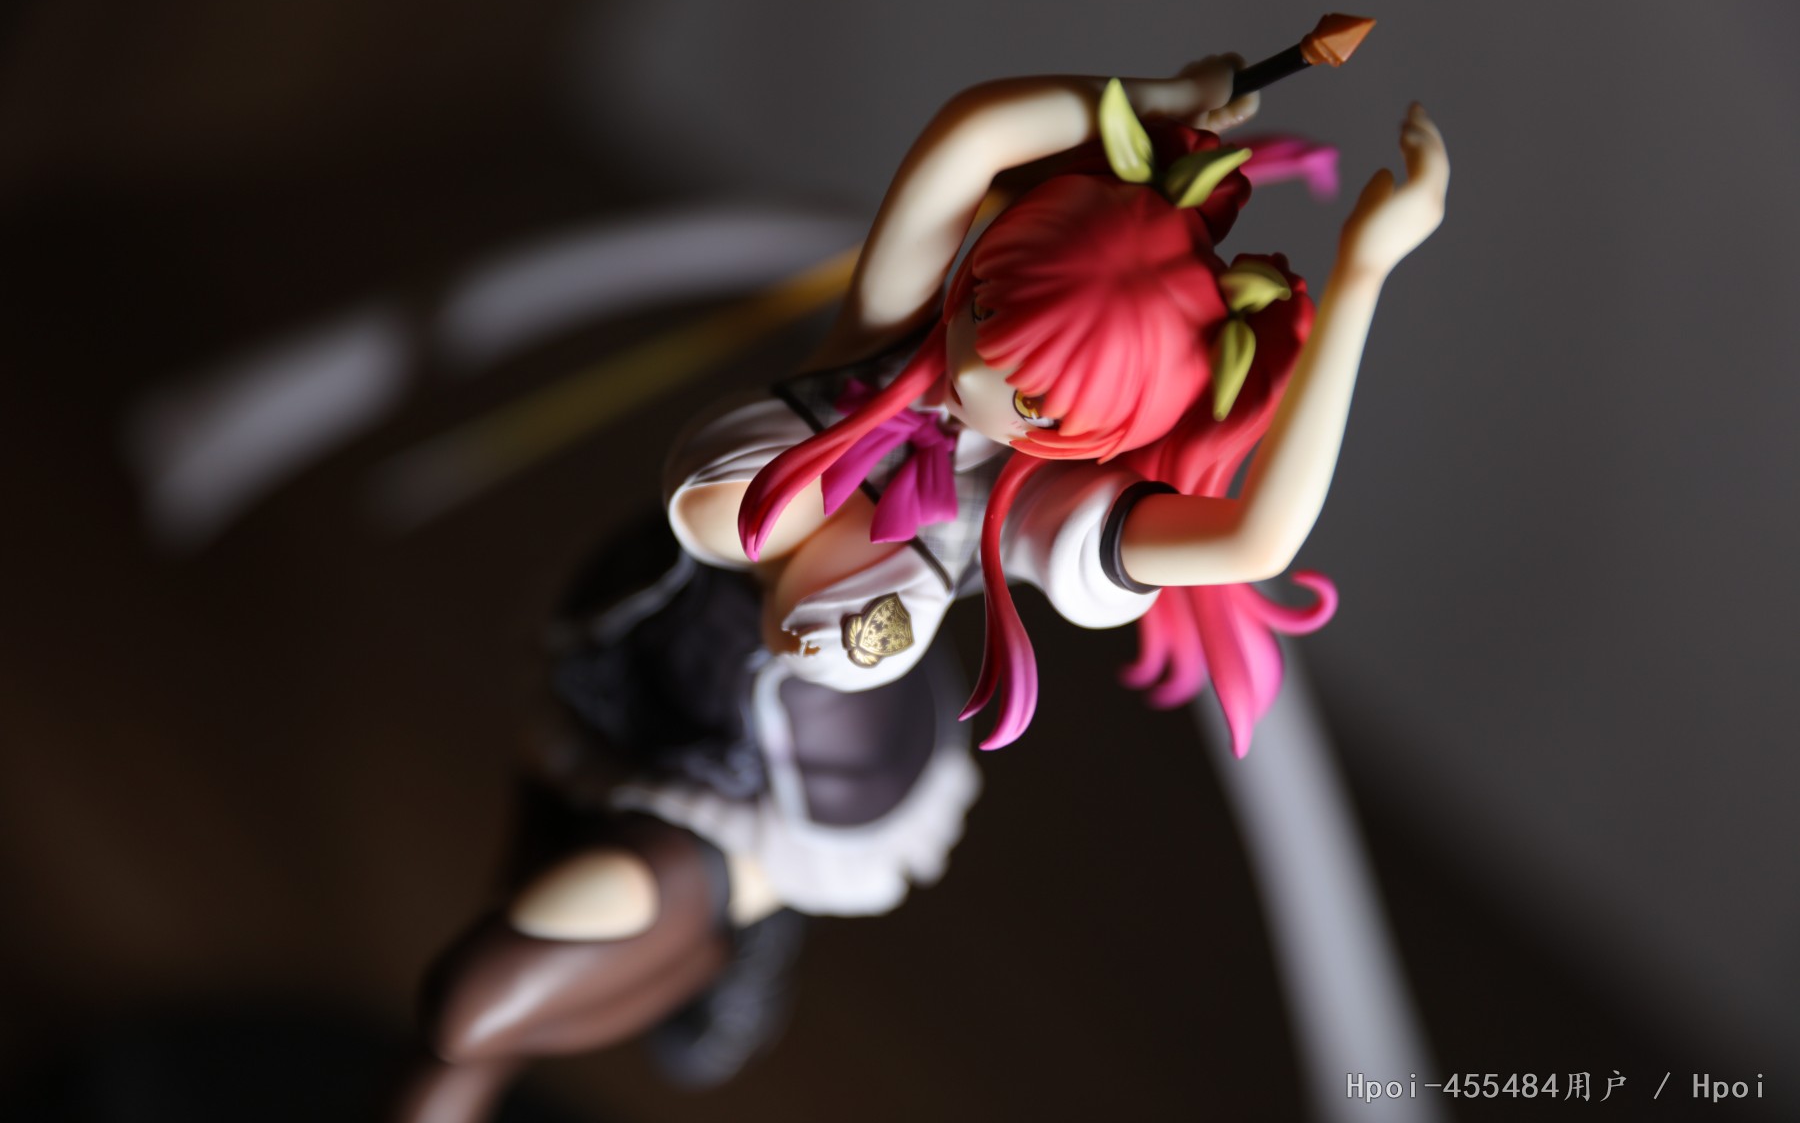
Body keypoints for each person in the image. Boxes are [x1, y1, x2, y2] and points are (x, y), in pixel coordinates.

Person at [390, 55, 1449, 1123]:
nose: (977, 373)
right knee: (489, 965)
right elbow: (972, 137)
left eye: (1034, 397)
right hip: (640, 669)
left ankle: (716, 955)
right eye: (987, 311)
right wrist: (1147, 102)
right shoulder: (891, 340)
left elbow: (1254, 537)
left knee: (473, 1002)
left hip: (770, 790)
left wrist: (1362, 274)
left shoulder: (1034, 513)